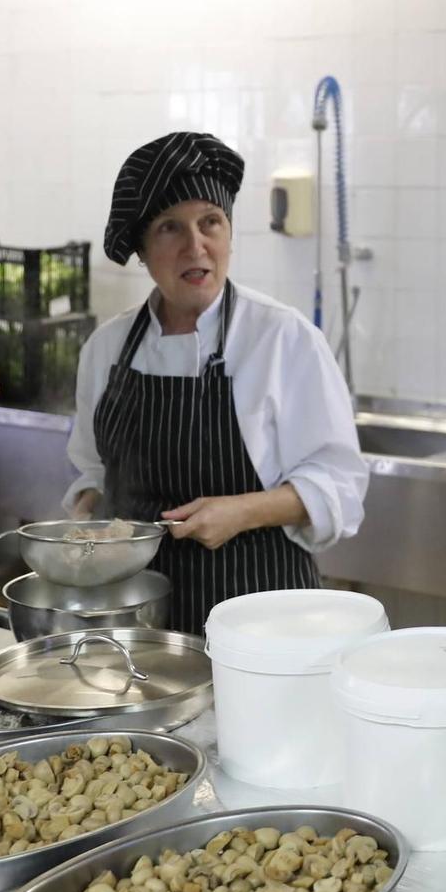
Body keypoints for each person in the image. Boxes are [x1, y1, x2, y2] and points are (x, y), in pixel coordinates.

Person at [62, 131, 366, 632]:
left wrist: (241, 512)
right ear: (142, 248)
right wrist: (87, 517)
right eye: (169, 228)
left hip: (263, 624)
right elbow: (93, 472)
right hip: (138, 624)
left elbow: (341, 486)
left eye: (211, 223)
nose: (195, 246)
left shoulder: (282, 340)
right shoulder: (107, 348)